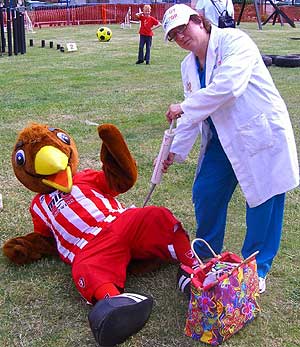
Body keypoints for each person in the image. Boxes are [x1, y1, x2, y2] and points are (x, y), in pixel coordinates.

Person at [161, 4, 299, 294]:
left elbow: (229, 86)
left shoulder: (235, 41)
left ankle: (256, 270)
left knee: (264, 200)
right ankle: (208, 258)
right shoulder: (188, 65)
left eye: (183, 28)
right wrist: (174, 150)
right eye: (174, 35)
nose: (181, 37)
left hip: (258, 133)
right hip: (220, 140)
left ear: (199, 21)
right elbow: (194, 113)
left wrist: (183, 107)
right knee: (205, 192)